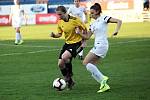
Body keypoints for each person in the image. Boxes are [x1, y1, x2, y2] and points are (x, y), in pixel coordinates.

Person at [76, 3, 122, 93]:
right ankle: (104, 85)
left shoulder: (104, 18)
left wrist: (116, 31)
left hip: (101, 45)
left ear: (97, 12)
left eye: (92, 13)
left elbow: (119, 21)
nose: (91, 14)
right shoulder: (92, 24)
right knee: (91, 66)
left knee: (86, 62)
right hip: (98, 45)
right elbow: (87, 37)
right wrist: (79, 33)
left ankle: (103, 78)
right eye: (90, 13)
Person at [50, 6, 87, 90]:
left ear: (65, 12)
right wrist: (54, 35)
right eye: (57, 15)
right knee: (60, 64)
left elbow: (85, 29)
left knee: (64, 57)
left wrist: (84, 41)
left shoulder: (75, 20)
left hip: (77, 43)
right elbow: (59, 34)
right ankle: (70, 81)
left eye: (60, 14)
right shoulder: (60, 22)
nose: (59, 16)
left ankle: (68, 75)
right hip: (67, 44)